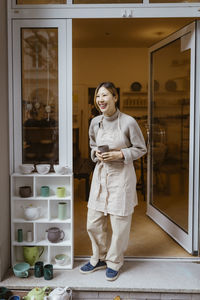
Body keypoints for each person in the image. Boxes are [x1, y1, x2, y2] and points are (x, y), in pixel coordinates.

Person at [79, 82, 147, 281]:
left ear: (115, 97)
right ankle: (98, 257)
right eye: (98, 96)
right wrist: (96, 154)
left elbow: (141, 148)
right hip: (101, 176)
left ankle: (114, 261)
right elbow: (92, 145)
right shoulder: (95, 122)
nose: (100, 99)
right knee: (93, 221)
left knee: (119, 224)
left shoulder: (128, 122)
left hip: (121, 177)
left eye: (105, 95)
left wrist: (120, 154)